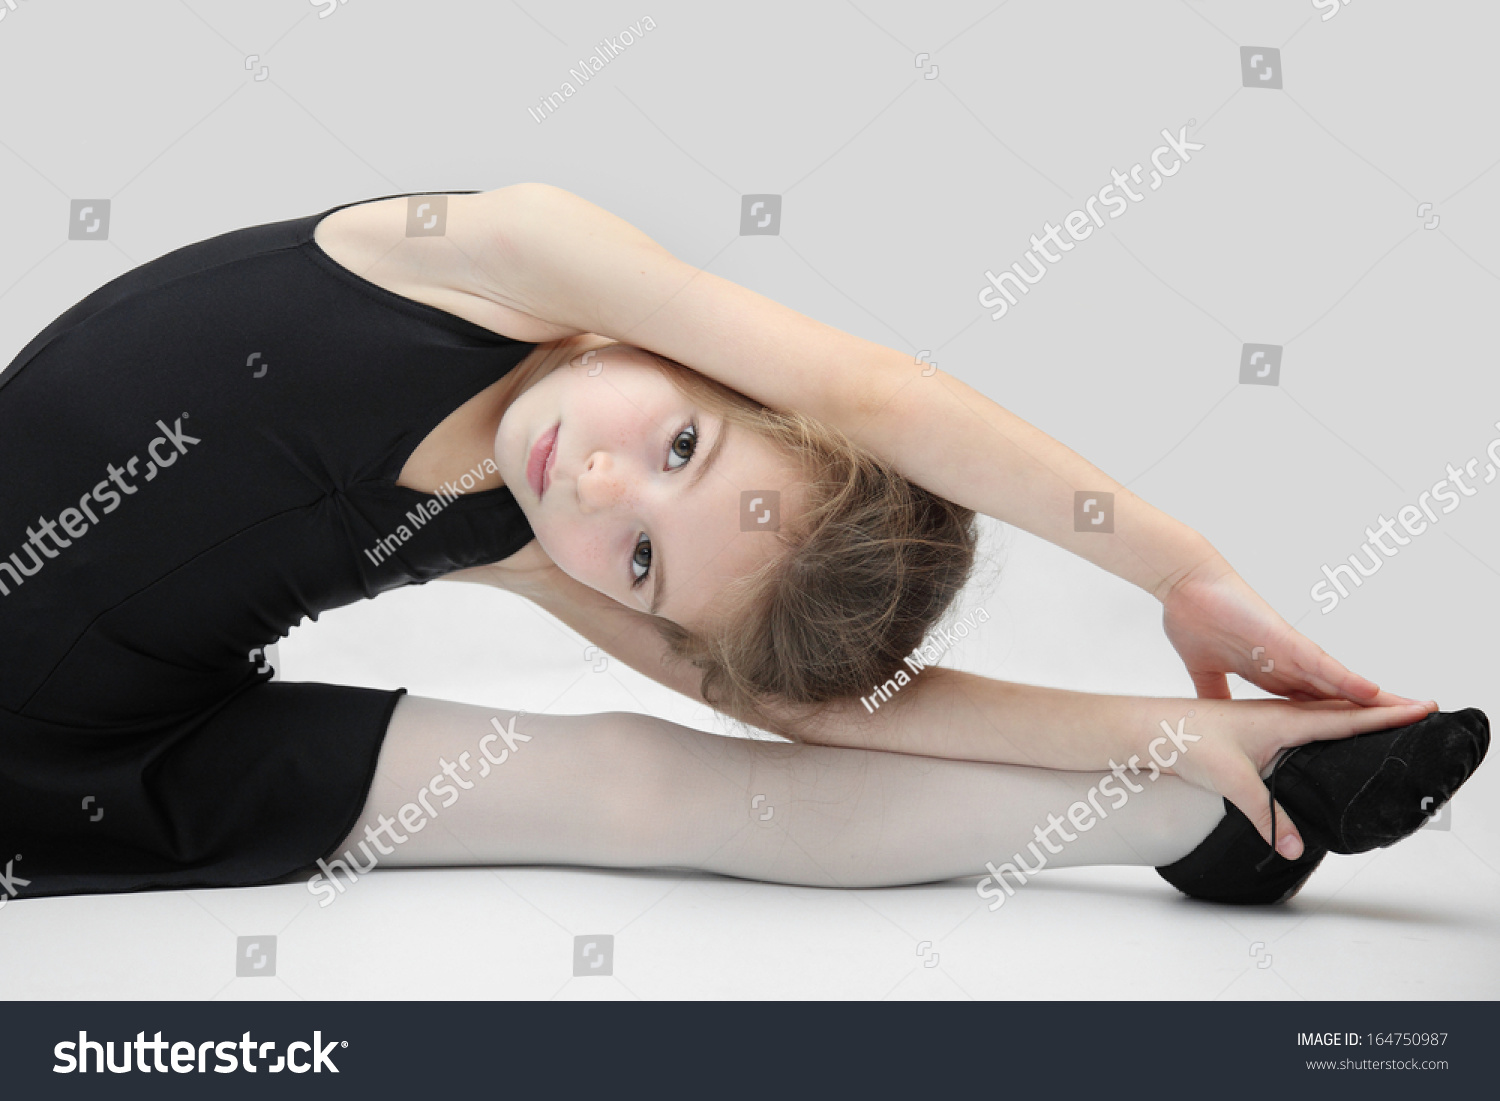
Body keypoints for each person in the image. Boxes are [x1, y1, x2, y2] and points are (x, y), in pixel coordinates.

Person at [0, 185, 1485, 911]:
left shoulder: (534, 530)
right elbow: (874, 395)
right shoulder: (500, 255)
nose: (594, 484)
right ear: (728, 374)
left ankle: (1215, 816)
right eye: (684, 447)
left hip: (155, 749)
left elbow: (780, 705)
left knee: (658, 786)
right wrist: (1178, 567)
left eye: (640, 556)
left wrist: (1166, 736)